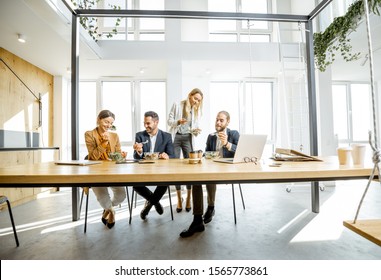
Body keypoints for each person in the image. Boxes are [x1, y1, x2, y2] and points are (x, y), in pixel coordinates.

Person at [180, 111, 240, 237]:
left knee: (210, 176)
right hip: (214, 167)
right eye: (216, 120)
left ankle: (211, 207)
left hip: (229, 169)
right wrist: (202, 155)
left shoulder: (234, 134)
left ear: (228, 122)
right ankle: (197, 220)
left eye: (221, 120)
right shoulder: (211, 136)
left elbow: (240, 152)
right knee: (196, 179)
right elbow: (207, 154)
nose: (218, 122)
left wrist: (227, 144)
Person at [84, 109, 127, 229]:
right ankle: (112, 212)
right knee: (102, 195)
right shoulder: (89, 134)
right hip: (95, 171)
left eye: (111, 123)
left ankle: (107, 210)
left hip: (112, 170)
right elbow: (92, 157)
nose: (108, 125)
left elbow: (117, 155)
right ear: (98, 119)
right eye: (106, 122)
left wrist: (121, 156)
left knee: (121, 195)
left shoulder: (115, 135)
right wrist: (103, 143)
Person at [133, 111, 175, 220]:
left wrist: (167, 156)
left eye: (148, 123)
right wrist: (139, 151)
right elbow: (136, 157)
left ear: (156, 122)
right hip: (143, 169)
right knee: (135, 184)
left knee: (165, 182)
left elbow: (173, 155)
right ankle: (155, 202)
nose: (145, 126)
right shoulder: (140, 135)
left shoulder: (166, 136)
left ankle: (148, 206)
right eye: (144, 123)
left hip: (160, 170)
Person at [167, 88, 204, 213]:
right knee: (175, 167)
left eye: (199, 100)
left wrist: (196, 131)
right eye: (195, 98)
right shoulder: (177, 105)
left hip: (188, 138)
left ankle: (188, 197)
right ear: (190, 95)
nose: (196, 102)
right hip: (176, 137)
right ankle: (179, 198)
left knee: (190, 167)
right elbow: (169, 121)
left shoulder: (196, 110)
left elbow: (194, 126)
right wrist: (178, 121)